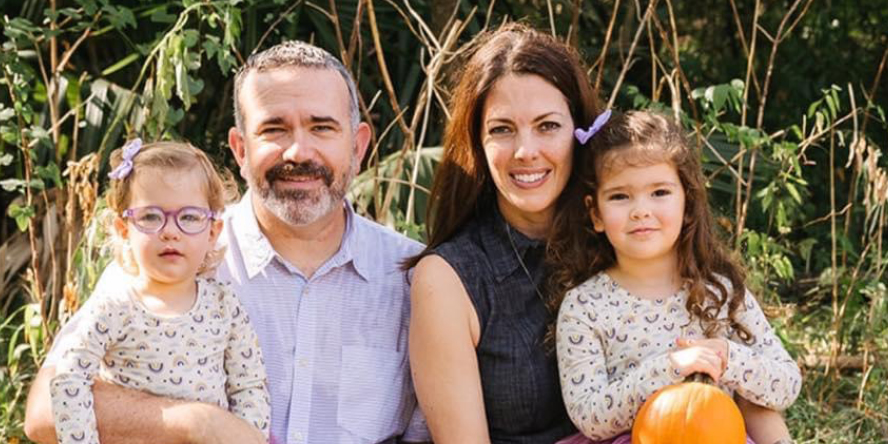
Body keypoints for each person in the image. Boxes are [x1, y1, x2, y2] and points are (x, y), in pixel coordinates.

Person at [25, 40, 429, 444]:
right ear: (240, 149)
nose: (298, 151)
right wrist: (197, 423)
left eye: (321, 127)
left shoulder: (412, 276)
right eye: (274, 129)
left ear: (358, 146)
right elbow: (44, 414)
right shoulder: (172, 253)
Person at [549, 110, 802, 444]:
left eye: (660, 193)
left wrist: (726, 356)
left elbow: (785, 384)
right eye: (620, 196)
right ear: (596, 213)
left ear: (687, 203)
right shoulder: (586, 305)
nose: (641, 210)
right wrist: (671, 367)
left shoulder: (720, 292)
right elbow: (589, 414)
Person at [406, 23, 599, 443]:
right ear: (477, 143)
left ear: (581, 131)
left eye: (547, 126)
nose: (525, 151)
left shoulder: (629, 238)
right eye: (502, 129)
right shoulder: (449, 280)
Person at [49, 140, 270, 444]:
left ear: (212, 232)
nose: (170, 230)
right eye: (151, 216)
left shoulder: (224, 304)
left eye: (189, 217)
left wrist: (248, 437)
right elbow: (69, 378)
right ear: (124, 229)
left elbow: (249, 386)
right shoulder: (114, 306)